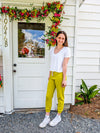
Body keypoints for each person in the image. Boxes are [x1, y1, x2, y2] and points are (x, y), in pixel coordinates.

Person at [39, 31, 71, 128]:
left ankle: (58, 116)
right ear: (56, 38)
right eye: (59, 37)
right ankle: (47, 116)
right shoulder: (52, 49)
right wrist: (50, 74)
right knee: (48, 96)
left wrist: (64, 79)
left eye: (63, 38)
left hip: (60, 75)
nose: (61, 40)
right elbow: (51, 63)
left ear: (64, 40)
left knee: (60, 96)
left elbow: (64, 65)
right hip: (52, 75)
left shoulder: (66, 50)